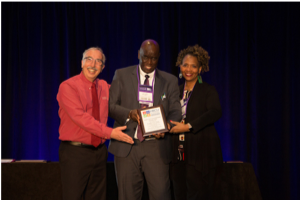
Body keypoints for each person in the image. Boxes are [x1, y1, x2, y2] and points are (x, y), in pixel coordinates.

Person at [57, 47, 134, 200]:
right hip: (75, 153)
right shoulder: (68, 87)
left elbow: (125, 100)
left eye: (98, 61)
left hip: (99, 152)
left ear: (103, 67)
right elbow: (81, 118)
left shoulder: (105, 87)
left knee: (98, 196)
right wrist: (111, 133)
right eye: (89, 59)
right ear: (81, 63)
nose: (93, 64)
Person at [108, 39, 182, 200]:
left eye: (153, 58)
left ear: (159, 57)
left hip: (156, 147)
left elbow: (176, 112)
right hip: (127, 144)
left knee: (161, 195)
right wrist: (129, 114)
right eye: (145, 57)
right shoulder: (121, 75)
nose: (149, 62)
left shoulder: (170, 81)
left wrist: (165, 127)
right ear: (138, 55)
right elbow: (111, 106)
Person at [169, 44, 223, 200]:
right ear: (180, 66)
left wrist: (187, 126)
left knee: (197, 194)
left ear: (200, 69)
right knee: (179, 193)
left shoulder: (207, 90)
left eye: (194, 66)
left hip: (200, 154)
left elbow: (215, 112)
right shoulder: (175, 91)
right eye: (185, 65)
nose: (188, 69)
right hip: (178, 154)